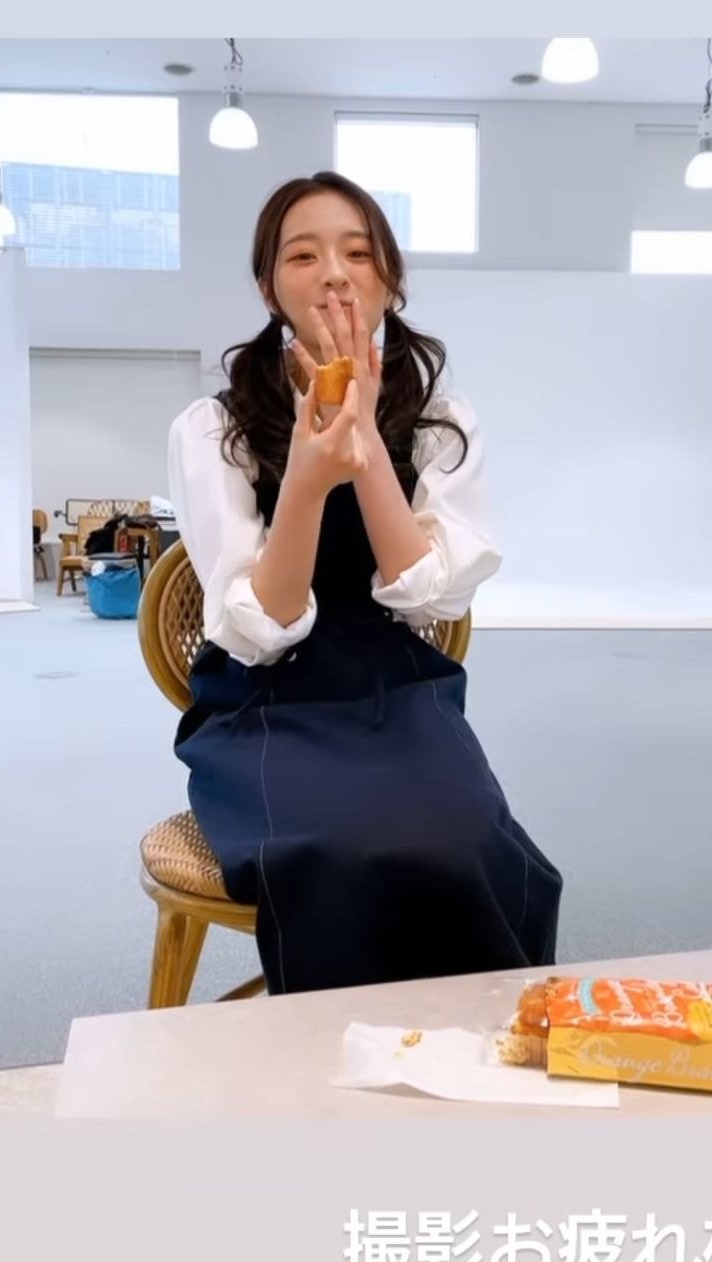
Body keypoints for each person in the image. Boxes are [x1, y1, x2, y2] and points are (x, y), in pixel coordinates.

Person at [167, 170, 563, 996]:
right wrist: (307, 480)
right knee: (334, 850)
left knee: (466, 841)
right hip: (264, 699)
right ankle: (333, 1051)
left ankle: (477, 1038)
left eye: (357, 253)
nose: (334, 276)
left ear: (389, 279)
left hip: (394, 681)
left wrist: (367, 438)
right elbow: (260, 628)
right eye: (302, 256)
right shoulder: (214, 427)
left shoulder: (440, 418)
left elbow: (433, 597)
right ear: (268, 289)